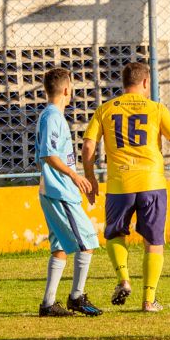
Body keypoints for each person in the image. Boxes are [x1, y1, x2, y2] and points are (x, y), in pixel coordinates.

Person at [82, 62, 170, 312]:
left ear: (124, 84)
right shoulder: (156, 109)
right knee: (154, 241)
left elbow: (88, 146)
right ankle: (149, 300)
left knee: (114, 234)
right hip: (152, 183)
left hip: (119, 182)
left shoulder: (105, 109)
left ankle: (123, 279)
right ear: (146, 82)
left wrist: (90, 177)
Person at [35, 68, 103, 317]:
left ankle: (48, 304)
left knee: (60, 246)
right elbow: (49, 154)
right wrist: (75, 176)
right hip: (59, 192)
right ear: (66, 89)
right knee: (87, 241)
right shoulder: (53, 116)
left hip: (53, 190)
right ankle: (76, 297)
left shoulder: (50, 116)